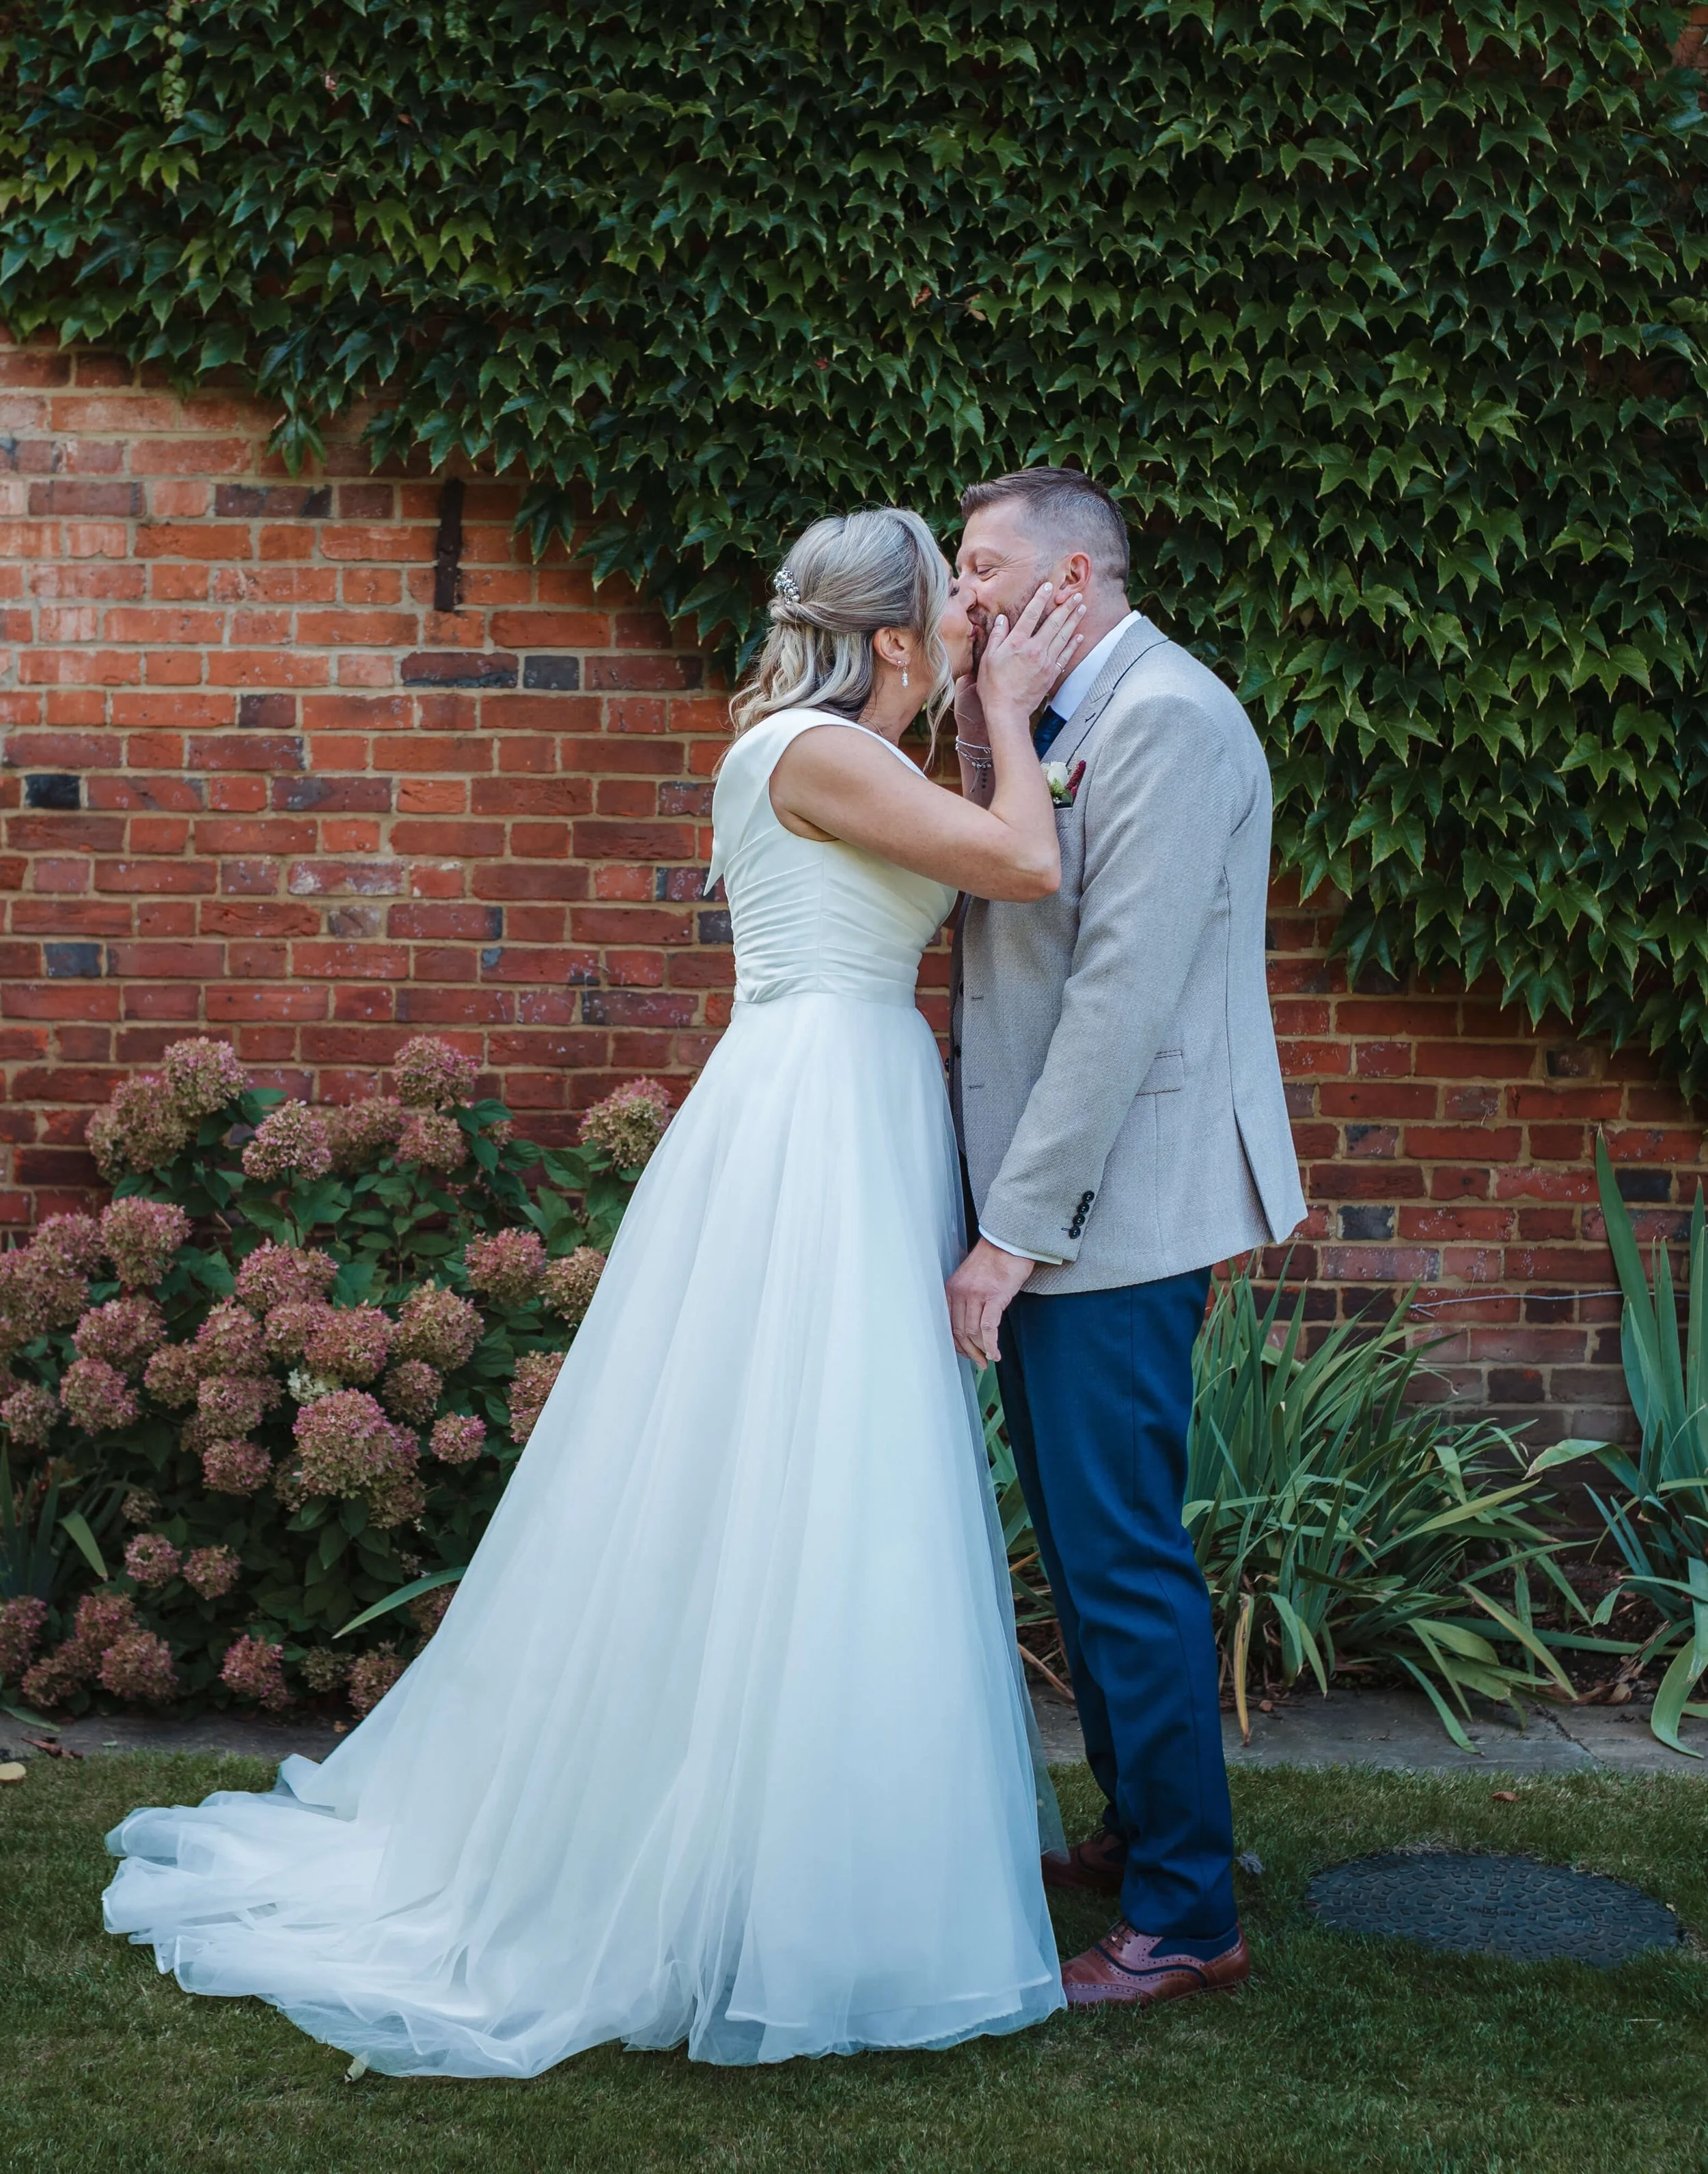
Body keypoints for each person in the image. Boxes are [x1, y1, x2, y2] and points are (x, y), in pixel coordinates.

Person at [102, 507, 1084, 2075]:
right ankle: (746, 1871)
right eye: (948, 606)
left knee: (823, 1479)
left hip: (837, 1095)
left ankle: (808, 1846)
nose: (976, 615)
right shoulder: (816, 752)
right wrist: (1014, 720)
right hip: (815, 1111)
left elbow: (962, 847)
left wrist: (976, 725)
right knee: (808, 1464)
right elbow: (1023, 860)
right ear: (894, 638)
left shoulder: (850, 751)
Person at [946, 467, 1306, 2011]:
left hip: (1113, 1208)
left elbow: (1116, 997)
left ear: (1071, 585)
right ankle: (1139, 1829)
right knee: (1090, 1554)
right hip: (1066, 1203)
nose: (958, 598)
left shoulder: (1163, 716)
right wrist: (982, 720)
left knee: (1121, 1556)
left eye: (981, 570)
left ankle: (1183, 1914)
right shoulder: (1061, 714)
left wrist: (1010, 1235)